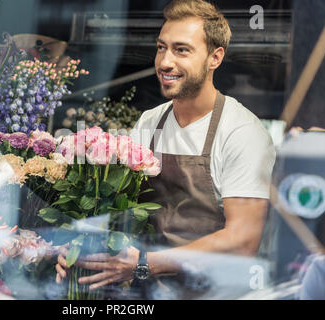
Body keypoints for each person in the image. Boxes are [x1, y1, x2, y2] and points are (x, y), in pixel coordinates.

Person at [55, 0, 276, 298]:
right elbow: (121, 211)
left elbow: (243, 240)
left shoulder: (241, 132)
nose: (165, 62)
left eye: (181, 50)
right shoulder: (150, 121)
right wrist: (80, 249)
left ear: (215, 57)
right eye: (161, 47)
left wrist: (146, 263)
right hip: (149, 293)